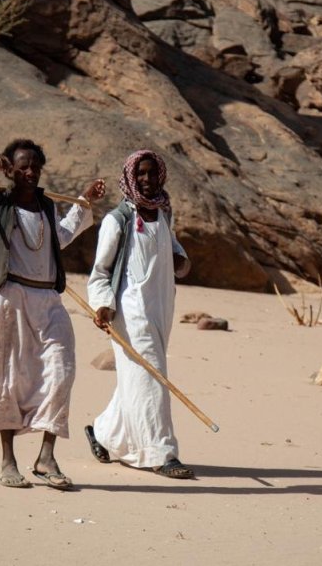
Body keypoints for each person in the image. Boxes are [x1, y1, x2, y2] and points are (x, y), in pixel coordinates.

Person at [0, 139, 106, 490]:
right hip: (8, 300)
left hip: (48, 302)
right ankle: (8, 461)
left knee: (60, 372)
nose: (30, 172)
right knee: (7, 381)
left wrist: (84, 201)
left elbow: (61, 237)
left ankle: (46, 457)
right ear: (9, 170)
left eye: (35, 167)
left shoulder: (46, 206)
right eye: (22, 166)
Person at [84, 149, 194, 479]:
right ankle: (162, 453)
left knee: (137, 379)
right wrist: (102, 305)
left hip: (161, 308)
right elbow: (100, 272)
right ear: (131, 178)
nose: (147, 179)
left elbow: (174, 252)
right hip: (130, 311)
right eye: (141, 174)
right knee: (152, 378)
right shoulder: (117, 220)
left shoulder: (163, 213)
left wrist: (181, 261)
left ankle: (103, 432)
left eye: (152, 173)